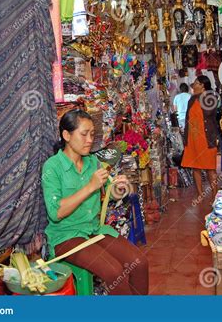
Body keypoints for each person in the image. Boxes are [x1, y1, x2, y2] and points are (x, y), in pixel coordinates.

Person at [41, 109, 149, 295]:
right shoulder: (53, 166)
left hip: (93, 230)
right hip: (66, 236)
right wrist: (90, 187)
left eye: (92, 134)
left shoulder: (92, 161)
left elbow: (109, 193)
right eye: (83, 134)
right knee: (114, 272)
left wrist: (119, 188)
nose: (90, 140)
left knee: (139, 263)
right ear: (66, 135)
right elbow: (56, 212)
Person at [181, 75, 219, 202]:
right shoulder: (191, 99)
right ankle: (200, 194)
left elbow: (209, 113)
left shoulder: (210, 97)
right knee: (195, 167)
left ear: (203, 85)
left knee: (210, 168)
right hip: (193, 139)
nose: (193, 86)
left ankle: (215, 195)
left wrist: (202, 95)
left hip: (206, 139)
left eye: (196, 83)